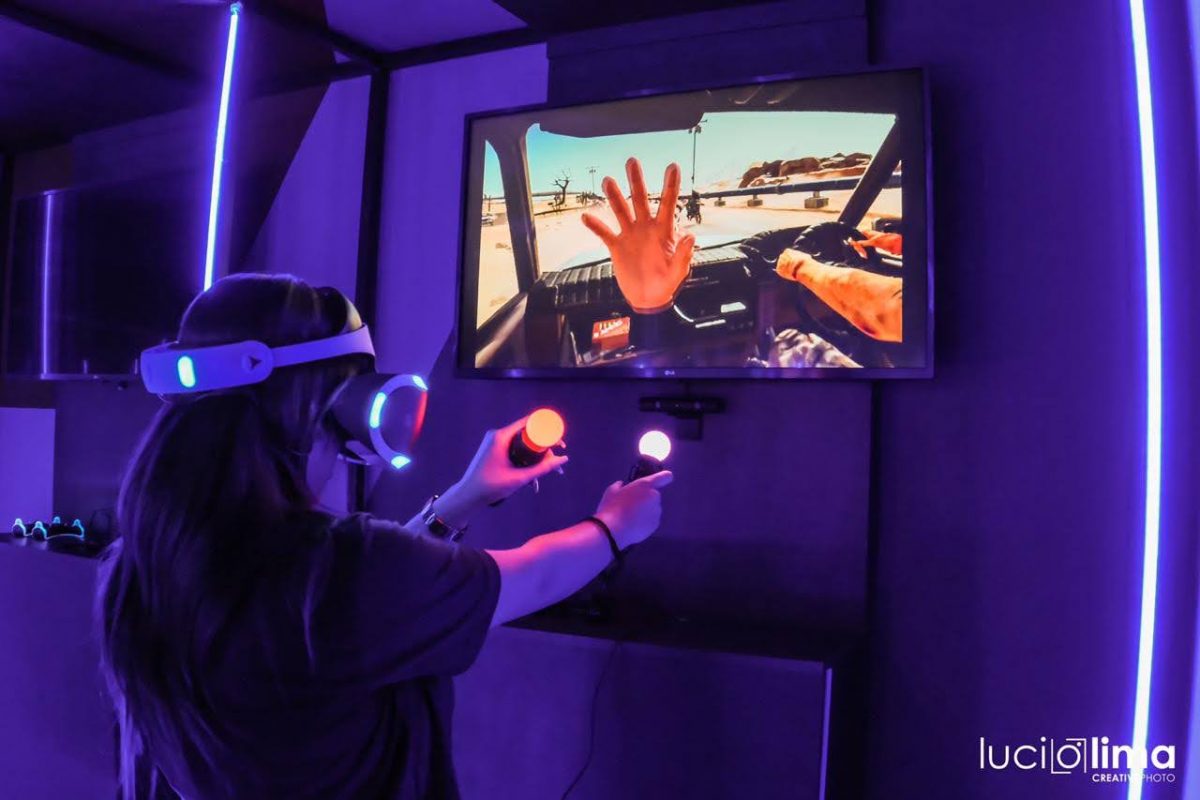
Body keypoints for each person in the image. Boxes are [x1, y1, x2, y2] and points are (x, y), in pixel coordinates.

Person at [96, 273, 673, 799]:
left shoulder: (134, 567)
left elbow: (362, 603)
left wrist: (465, 497)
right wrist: (615, 526)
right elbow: (532, 577)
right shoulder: (340, 569)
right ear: (340, 407)